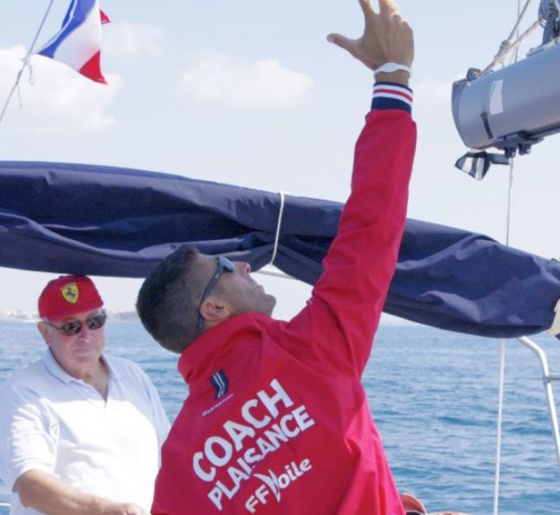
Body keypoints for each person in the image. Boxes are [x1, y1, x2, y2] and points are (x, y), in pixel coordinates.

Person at [136, 0, 416, 513]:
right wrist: (392, 79)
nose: (245, 265)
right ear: (213, 308)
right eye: (227, 268)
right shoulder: (312, 349)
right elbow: (372, 224)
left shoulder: (179, 465)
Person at [0, 275, 171, 515]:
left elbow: (170, 456)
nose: (86, 336)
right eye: (71, 327)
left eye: (94, 322)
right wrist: (104, 510)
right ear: (45, 332)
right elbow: (29, 485)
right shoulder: (24, 391)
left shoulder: (133, 374)